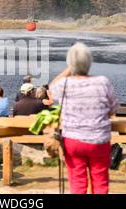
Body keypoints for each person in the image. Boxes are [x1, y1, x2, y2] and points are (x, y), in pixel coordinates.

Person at [49, 42, 119, 194]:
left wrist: (71, 68)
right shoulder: (102, 82)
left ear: (70, 64)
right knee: (100, 182)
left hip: (73, 141)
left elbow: (51, 87)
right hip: (99, 140)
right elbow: (113, 109)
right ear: (90, 62)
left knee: (78, 184)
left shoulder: (64, 83)